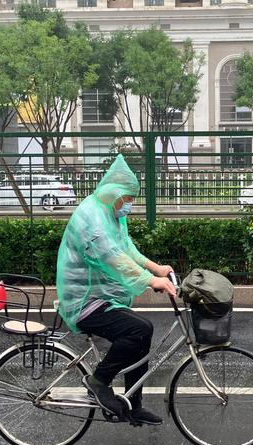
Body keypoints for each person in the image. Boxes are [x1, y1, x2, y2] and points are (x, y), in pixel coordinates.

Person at [56, 154, 176, 426]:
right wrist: (149, 280)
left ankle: (135, 405)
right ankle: (99, 381)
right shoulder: (92, 220)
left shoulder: (110, 212)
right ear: (116, 194)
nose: (130, 206)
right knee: (138, 329)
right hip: (84, 302)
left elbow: (125, 246)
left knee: (142, 334)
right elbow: (112, 256)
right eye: (129, 199)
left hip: (99, 297)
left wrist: (155, 267)